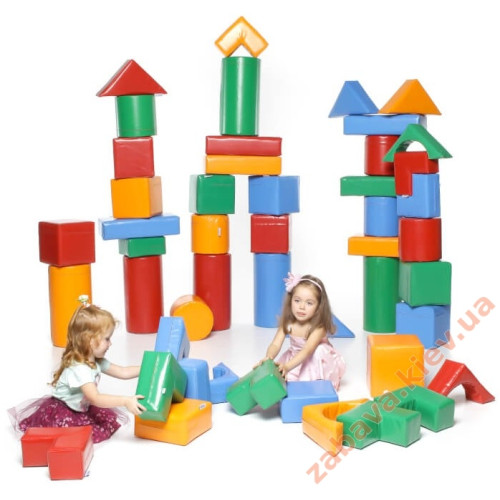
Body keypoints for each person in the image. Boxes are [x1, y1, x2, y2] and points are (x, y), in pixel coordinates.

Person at [8, 296, 145, 443]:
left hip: (81, 407)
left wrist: (148, 368)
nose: (110, 344)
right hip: (64, 410)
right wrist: (125, 401)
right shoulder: (80, 368)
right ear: (89, 340)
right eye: (107, 339)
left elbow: (123, 371)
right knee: (75, 437)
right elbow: (95, 398)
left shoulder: (96, 361)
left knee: (99, 426)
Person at [259, 273, 345, 389]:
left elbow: (307, 351)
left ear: (318, 307)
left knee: (318, 351)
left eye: (309, 303)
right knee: (284, 381)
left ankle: (318, 382)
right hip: (295, 358)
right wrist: (269, 357)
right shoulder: (288, 323)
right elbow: (275, 344)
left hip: (315, 359)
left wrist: (287, 367)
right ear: (290, 301)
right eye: (297, 300)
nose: (301, 307)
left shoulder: (318, 327)